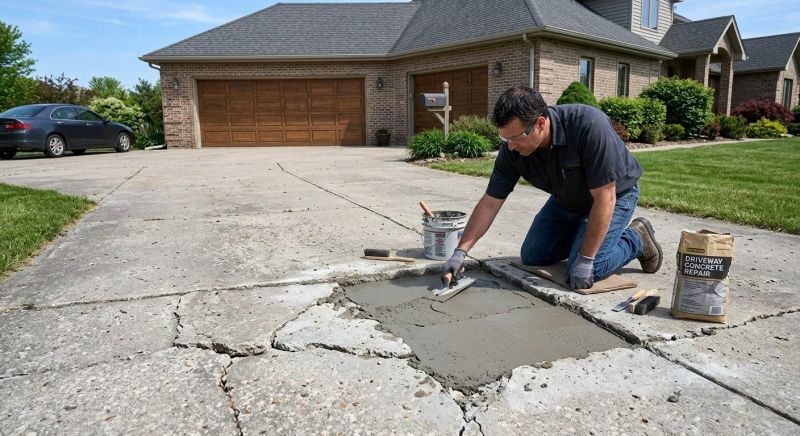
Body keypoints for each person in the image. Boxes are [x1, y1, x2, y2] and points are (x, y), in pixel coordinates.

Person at [441, 85, 663, 290]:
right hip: (566, 199)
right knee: (532, 255)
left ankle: (636, 238)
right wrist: (461, 252)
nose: (510, 146)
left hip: (614, 196)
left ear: (539, 123)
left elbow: (605, 197)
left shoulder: (588, 125)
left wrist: (585, 259)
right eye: (504, 138)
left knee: (591, 267)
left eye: (516, 137)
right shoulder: (512, 148)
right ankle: (585, 236)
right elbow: (490, 202)